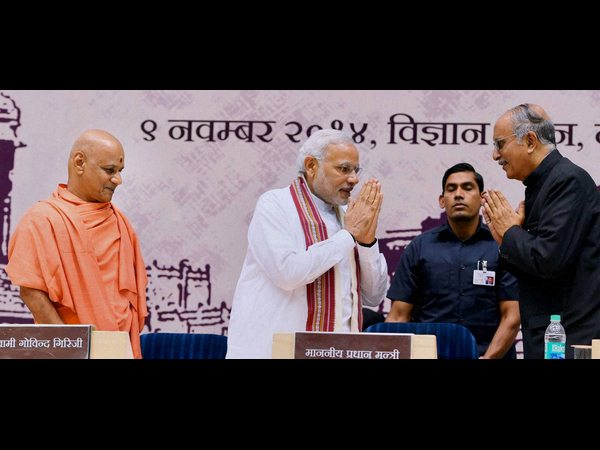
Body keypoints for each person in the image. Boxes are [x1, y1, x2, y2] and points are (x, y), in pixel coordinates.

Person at [226, 129, 389, 358]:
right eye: (344, 169)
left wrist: (367, 243)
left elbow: (373, 296)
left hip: (336, 352)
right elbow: (288, 273)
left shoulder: (348, 216)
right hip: (271, 351)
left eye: (355, 170)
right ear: (311, 166)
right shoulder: (275, 205)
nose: (354, 179)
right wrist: (348, 235)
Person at [5, 129, 148, 358]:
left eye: (120, 171)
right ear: (80, 162)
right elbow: (31, 292)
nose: (118, 180)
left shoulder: (120, 222)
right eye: (109, 170)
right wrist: (70, 348)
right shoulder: (43, 219)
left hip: (120, 348)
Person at [482, 103, 600, 359]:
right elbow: (536, 267)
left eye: (500, 144)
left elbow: (548, 260)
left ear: (530, 141)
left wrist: (511, 231)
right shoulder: (542, 184)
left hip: (569, 339)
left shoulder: (567, 181)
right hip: (549, 335)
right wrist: (505, 240)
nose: (495, 155)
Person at [386, 163, 520, 359]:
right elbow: (398, 317)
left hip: (488, 355)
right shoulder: (419, 247)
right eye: (451, 189)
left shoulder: (502, 247)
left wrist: (488, 358)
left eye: (467, 187)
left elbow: (512, 317)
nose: (458, 194)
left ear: (482, 198)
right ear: (442, 201)